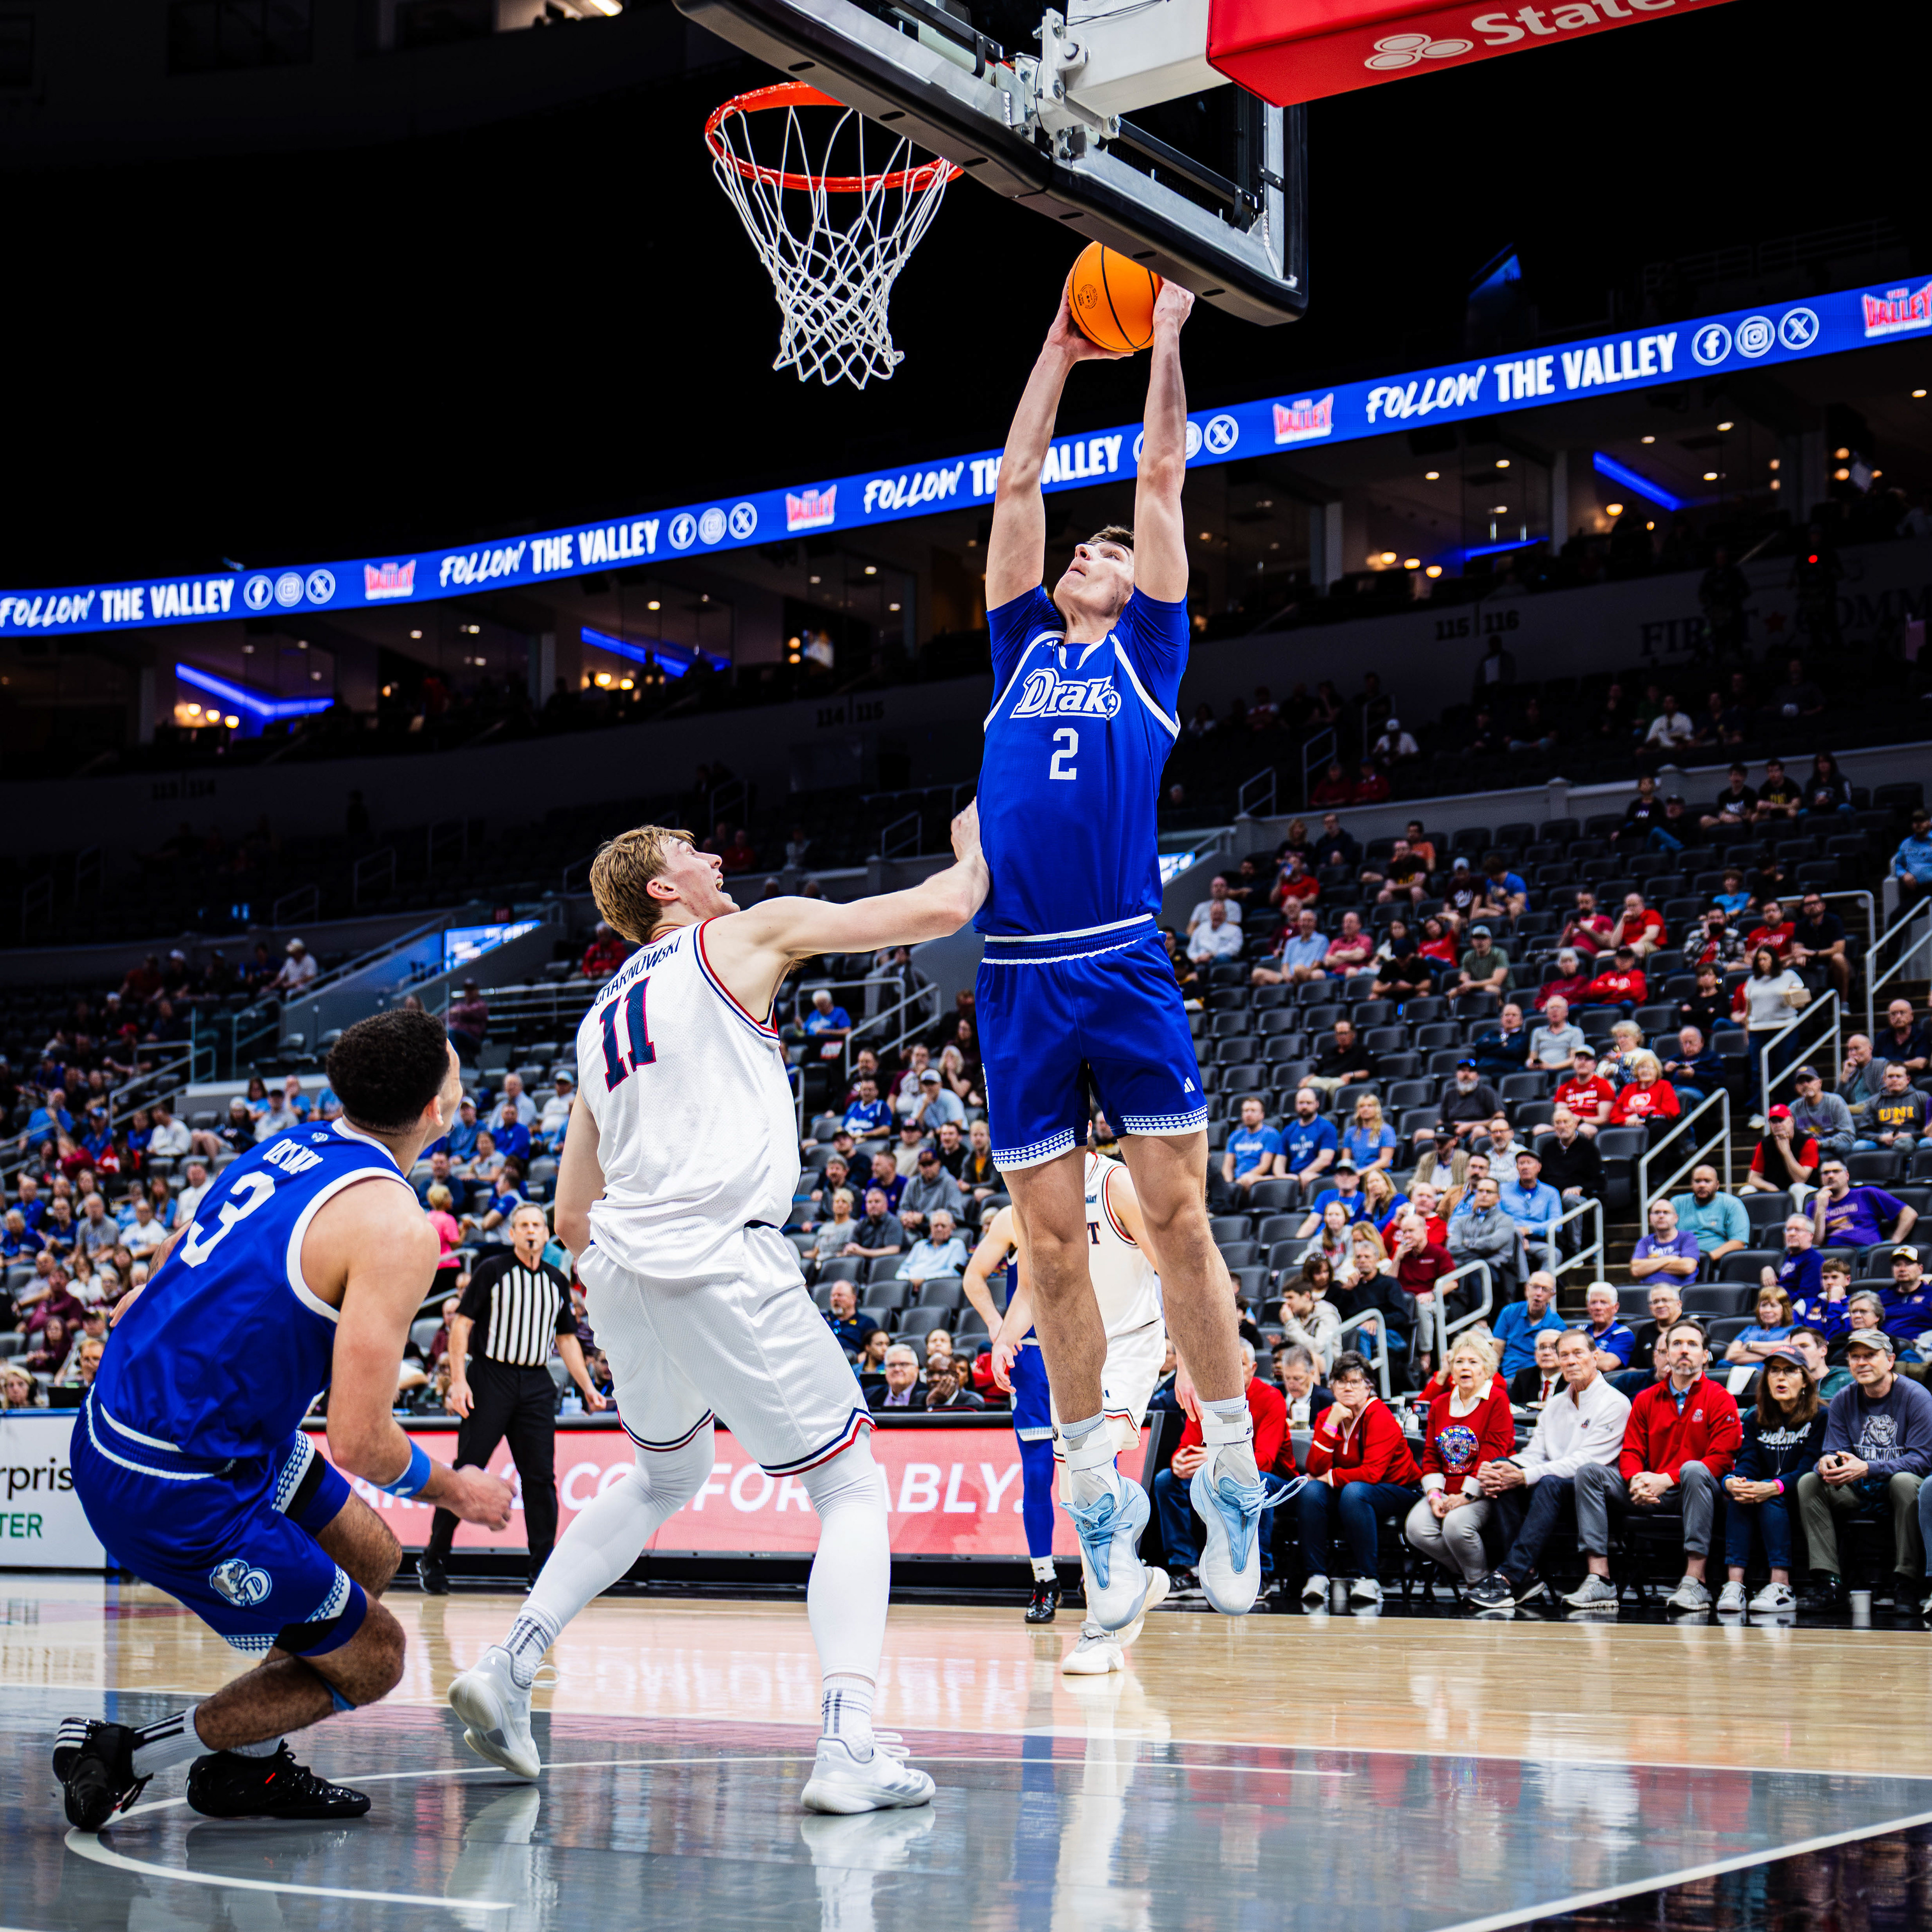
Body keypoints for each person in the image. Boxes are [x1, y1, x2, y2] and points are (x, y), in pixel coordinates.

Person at [444, 813, 991, 1816]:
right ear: (662, 887)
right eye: (693, 852)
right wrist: (977, 840)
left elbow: (571, 1213)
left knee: (666, 1475)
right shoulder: (738, 936)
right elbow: (945, 909)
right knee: (850, 1486)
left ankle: (510, 1665)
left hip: (619, 1269)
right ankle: (848, 1745)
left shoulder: (600, 1014)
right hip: (718, 1252)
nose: (716, 860)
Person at [966, 278, 1262, 1638]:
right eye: (1079, 548)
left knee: (1178, 1219)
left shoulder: (1151, 645)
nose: (1089, 549)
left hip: (1122, 958)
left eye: (1108, 548)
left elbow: (1156, 474)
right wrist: (1054, 344)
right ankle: (1098, 1499)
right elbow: (1018, 479)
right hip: (1017, 971)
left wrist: (1165, 340)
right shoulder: (1017, 648)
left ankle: (1230, 1463)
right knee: (1049, 1250)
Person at [52, 1011, 517, 1830]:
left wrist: (161, 1312)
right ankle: (126, 1754)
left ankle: (250, 1767)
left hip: (168, 1423)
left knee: (370, 1556)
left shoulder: (292, 1144)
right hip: (172, 1478)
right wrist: (460, 1492)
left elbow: (169, 1258)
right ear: (438, 1110)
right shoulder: (397, 1227)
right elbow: (361, 1441)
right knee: (376, 1658)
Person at [989, 1140, 1172, 1672]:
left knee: (1091, 1466)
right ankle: (1127, 1588)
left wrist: (1188, 1359)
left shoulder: (1115, 1184)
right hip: (1069, 1350)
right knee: (1075, 1488)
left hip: (1128, 1345)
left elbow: (1172, 1268)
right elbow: (1030, 1289)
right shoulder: (1030, 1196)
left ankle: (1101, 1625)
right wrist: (1005, 1339)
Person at [418, 1203, 607, 1593]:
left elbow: (566, 1338)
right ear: (513, 1233)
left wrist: (588, 1386)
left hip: (536, 1383)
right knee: (467, 1469)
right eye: (524, 1226)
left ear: (546, 1233)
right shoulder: (492, 1271)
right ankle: (433, 1557)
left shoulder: (557, 1281)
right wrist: (458, 1381)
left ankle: (542, 1571)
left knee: (540, 1479)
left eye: (537, 1225)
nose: (531, 1231)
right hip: (490, 1377)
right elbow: (462, 1326)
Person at [1563, 1321, 1741, 1614]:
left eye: (1692, 1345)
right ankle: (1600, 1578)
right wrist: (1635, 1479)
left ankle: (1696, 1580)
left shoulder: (1720, 1398)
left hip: (1695, 1492)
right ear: (1665, 1354)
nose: (1684, 1350)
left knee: (1695, 1469)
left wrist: (1667, 1479)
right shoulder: (1646, 1399)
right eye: (1677, 1344)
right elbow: (1631, 1450)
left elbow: (1722, 1458)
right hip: (1648, 1491)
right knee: (1589, 1473)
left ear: (1705, 1355)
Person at [1467, 1327, 1633, 1608]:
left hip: (1594, 1496)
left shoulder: (1615, 1403)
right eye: (1564, 1355)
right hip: (1551, 1491)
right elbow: (1536, 1453)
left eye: (1578, 1353)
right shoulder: (1555, 1404)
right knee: (1502, 1472)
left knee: (1548, 1482)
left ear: (1595, 1356)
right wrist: (1505, 1469)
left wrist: (1524, 1476)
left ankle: (1509, 1575)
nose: (1571, 1361)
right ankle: (1526, 1575)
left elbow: (1585, 1462)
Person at [962, 1204, 1059, 1621]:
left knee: (1093, 1469)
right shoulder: (1012, 1216)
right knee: (1038, 1473)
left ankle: (1100, 1570)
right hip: (1032, 1355)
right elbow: (973, 1277)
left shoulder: (1098, 1199)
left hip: (1085, 1348)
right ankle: (1045, 1579)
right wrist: (996, 1325)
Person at [1796, 1328, 1932, 1614]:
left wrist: (1869, 1468)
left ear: (1890, 1360)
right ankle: (1830, 1582)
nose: (1862, 1362)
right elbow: (1835, 1450)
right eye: (1855, 1357)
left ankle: (1907, 1582)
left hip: (1899, 1488)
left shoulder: (1917, 1397)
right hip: (1859, 1488)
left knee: (1904, 1482)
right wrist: (1827, 1462)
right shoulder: (1843, 1398)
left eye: (1870, 1355)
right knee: (1810, 1482)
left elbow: (1923, 1460)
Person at [1154, 1342, 1284, 1607]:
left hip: (1271, 1478)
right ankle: (1185, 1568)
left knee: (1258, 1482)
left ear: (1254, 1368)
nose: (1233, 1371)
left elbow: (1266, 1460)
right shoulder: (1208, 1398)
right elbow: (1187, 1446)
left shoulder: (1271, 1398)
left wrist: (1213, 1459)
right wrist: (1179, 1461)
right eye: (1228, 1365)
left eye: (1241, 1365)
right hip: (1218, 1475)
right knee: (1167, 1480)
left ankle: (1263, 1570)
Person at [1295, 1351, 1420, 1610]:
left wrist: (1330, 1476)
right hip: (1353, 1490)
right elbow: (1314, 1467)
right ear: (1331, 1386)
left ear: (1369, 1386)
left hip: (1400, 1490)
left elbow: (1372, 1473)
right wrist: (1331, 1423)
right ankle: (1316, 1577)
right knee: (1311, 1491)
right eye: (1341, 1382)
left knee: (1354, 1492)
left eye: (1355, 1381)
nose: (1348, 1388)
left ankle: (1369, 1579)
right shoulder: (1328, 1415)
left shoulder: (1379, 1415)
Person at [1717, 1345, 1827, 1615]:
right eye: (1774, 1371)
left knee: (1770, 1500)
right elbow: (1748, 1462)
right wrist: (1732, 1481)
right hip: (1765, 1491)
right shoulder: (1755, 1417)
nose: (1781, 1378)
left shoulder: (1821, 1416)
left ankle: (1781, 1585)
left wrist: (1774, 1486)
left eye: (1790, 1371)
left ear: (1805, 1380)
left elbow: (1809, 1468)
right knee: (1741, 1496)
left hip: (1803, 1495)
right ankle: (1735, 1585)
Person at [1404, 1335, 1516, 1589]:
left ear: (1486, 1369)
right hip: (1445, 1491)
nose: (1465, 1367)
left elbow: (1493, 1453)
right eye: (1459, 1362)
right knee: (1416, 1529)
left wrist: (1466, 1497)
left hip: (1485, 1491)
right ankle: (1480, 1576)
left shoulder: (1497, 1399)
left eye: (1473, 1362)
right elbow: (1431, 1454)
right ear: (1451, 1368)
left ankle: (1480, 1585)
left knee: (1456, 1526)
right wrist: (1434, 1496)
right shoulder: (1440, 1404)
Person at [1814, 1159, 1918, 1250]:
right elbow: (1816, 1244)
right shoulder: (1816, 1205)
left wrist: (1894, 1242)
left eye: (1836, 1171)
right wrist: (1820, 1210)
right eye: (1826, 1173)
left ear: (1847, 1175)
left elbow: (1909, 1214)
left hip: (1868, 1252)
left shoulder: (1867, 1193)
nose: (1831, 1176)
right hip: (1835, 1257)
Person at [1493, 1270, 1565, 1378]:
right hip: (1507, 1377)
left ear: (1552, 1295)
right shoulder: (1509, 1312)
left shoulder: (1557, 1325)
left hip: (1536, 1380)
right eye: (1535, 1287)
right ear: (1527, 1290)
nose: (1539, 1293)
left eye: (1545, 1289)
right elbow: (1496, 1351)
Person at [1742, 1105, 1820, 1197]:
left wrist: (1786, 1152)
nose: (1777, 1125)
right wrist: (1771, 1188)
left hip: (1808, 1192)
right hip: (1775, 1191)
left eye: (1781, 1120)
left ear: (1792, 1120)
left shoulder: (1808, 1142)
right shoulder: (1764, 1144)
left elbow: (1800, 1179)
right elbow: (1753, 1179)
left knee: (1797, 1188)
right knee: (1747, 1190)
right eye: (1774, 1122)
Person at [1218, 1095, 1282, 1205]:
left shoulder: (1270, 1134)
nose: (1248, 1114)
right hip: (1238, 1180)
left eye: (1253, 1111)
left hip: (1260, 1179)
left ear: (1262, 1115)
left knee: (1248, 1180)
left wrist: (1243, 1179)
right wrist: (1228, 1185)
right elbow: (1228, 1166)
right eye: (1246, 1111)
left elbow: (1264, 1167)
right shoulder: (1235, 1136)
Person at [1788, 1064, 1855, 1164]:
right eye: (1801, 1082)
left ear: (1820, 1083)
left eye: (1809, 1080)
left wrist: (1820, 1144)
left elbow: (1848, 1137)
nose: (1805, 1085)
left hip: (1834, 1151)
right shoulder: (1794, 1108)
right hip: (1808, 1152)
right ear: (1796, 1088)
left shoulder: (1835, 1102)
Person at [1860, 1062, 1931, 1155]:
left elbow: (1929, 1130)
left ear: (1908, 1080)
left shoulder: (1922, 1097)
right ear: (1884, 1079)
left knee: (1915, 1143)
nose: (1894, 1080)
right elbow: (1863, 1132)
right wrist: (1881, 1138)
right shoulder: (1874, 1101)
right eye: (1890, 1077)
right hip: (1882, 1142)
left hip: (1913, 1141)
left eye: (1899, 1076)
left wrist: (1911, 1135)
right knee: (1860, 1146)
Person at [1630, 1198, 1702, 1282]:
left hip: (1678, 1289)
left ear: (1676, 1218)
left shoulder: (1687, 1238)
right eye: (1657, 1212)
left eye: (1666, 1213)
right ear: (1650, 1218)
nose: (1661, 1216)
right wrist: (1670, 1259)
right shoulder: (1644, 1242)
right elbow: (1636, 1270)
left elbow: (1688, 1267)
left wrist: (1649, 1265)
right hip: (1649, 1290)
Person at [1725, 1287, 1798, 1366]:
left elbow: (1789, 1350)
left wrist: (1750, 1345)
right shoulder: (1750, 1330)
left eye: (1773, 1306)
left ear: (1784, 1309)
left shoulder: (1794, 1330)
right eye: (1764, 1305)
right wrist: (1771, 1356)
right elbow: (1731, 1355)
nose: (1768, 1310)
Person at [1510, 1328, 1565, 1407]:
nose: (1547, 1353)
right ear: (1535, 1354)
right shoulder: (1524, 1377)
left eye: (1554, 1348)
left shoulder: (1572, 1379)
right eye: (1542, 1348)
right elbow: (1514, 1407)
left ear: (1564, 1353)